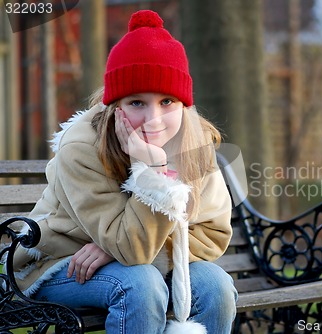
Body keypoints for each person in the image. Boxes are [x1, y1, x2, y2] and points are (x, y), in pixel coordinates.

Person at [10, 9, 237, 334]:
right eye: (136, 103)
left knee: (216, 285)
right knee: (139, 284)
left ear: (184, 103)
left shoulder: (194, 142)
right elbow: (133, 252)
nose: (153, 119)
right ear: (115, 104)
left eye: (167, 101)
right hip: (62, 263)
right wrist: (155, 171)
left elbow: (214, 235)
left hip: (132, 261)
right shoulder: (83, 147)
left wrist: (111, 247)